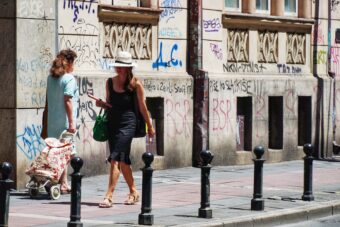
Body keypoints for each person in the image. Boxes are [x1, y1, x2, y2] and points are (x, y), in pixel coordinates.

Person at [96, 51, 155, 208]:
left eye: (123, 67)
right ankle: (134, 192)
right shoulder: (109, 82)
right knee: (123, 160)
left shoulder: (136, 84)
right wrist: (102, 104)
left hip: (128, 124)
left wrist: (150, 125)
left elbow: (143, 107)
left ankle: (109, 196)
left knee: (115, 157)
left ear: (129, 68)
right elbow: (109, 103)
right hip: (113, 123)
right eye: (118, 67)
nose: (119, 69)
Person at [44, 49, 78, 194]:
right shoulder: (69, 78)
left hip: (52, 121)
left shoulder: (51, 78)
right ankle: (58, 180)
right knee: (68, 153)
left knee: (57, 152)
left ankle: (62, 182)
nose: (74, 66)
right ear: (69, 62)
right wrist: (71, 123)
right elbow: (68, 100)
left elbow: (47, 101)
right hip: (64, 123)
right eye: (74, 62)